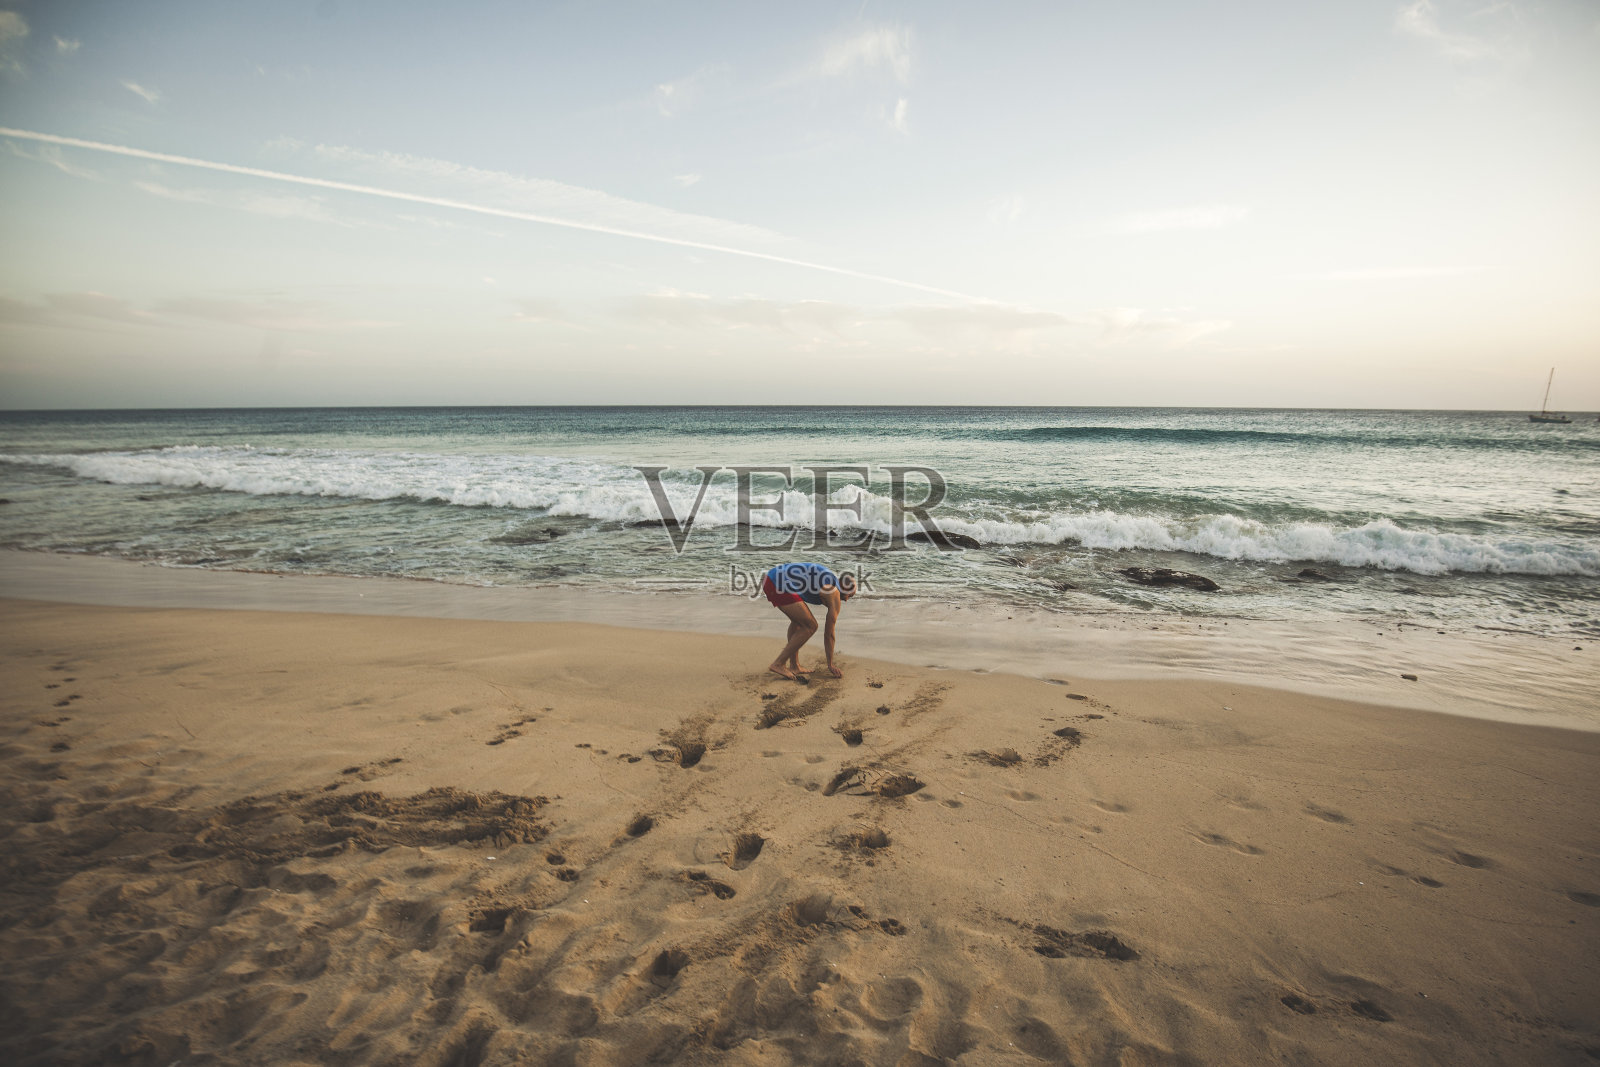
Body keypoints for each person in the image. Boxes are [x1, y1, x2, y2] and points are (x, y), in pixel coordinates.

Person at [761, 561, 856, 681]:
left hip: (771, 579)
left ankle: (794, 665)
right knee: (811, 626)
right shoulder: (834, 591)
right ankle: (778, 663)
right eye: (850, 596)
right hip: (778, 583)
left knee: (798, 622)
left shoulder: (829, 580)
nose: (847, 600)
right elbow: (829, 634)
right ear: (844, 587)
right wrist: (830, 664)